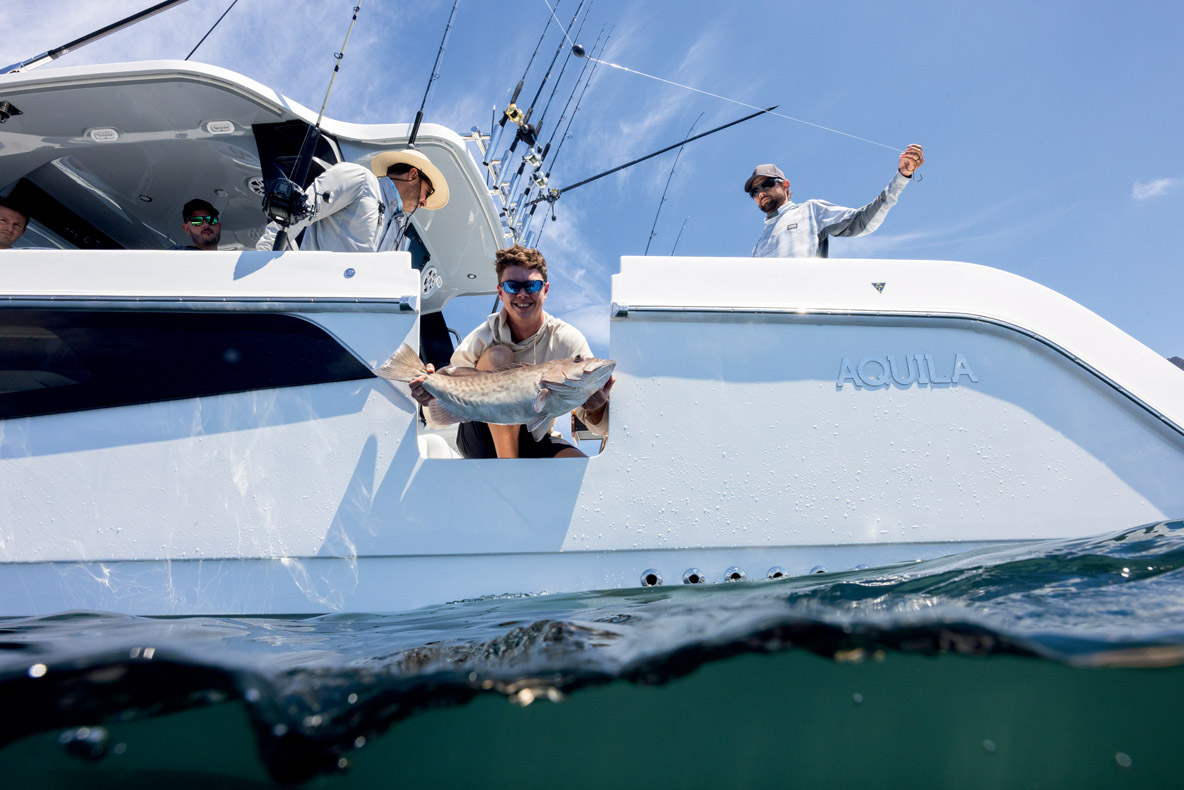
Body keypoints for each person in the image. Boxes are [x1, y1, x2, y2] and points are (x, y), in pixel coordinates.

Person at [409, 245, 613, 459]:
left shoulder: (568, 340)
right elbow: (435, 417)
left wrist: (597, 409)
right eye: (513, 286)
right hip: (481, 432)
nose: (523, 294)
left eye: (532, 285)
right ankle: (510, 470)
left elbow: (599, 428)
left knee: (579, 467)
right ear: (501, 292)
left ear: (545, 290)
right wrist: (429, 392)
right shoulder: (481, 338)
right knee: (498, 356)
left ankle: (514, 468)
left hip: (535, 434)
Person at [747, 144, 924, 258]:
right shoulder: (758, 246)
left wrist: (901, 177)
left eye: (767, 184)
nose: (761, 193)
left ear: (785, 185)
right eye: (754, 191)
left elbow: (861, 221)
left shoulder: (810, 211)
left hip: (802, 309)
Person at [255, 149, 448, 252]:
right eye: (427, 192)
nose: (424, 202)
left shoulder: (397, 231)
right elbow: (295, 215)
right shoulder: (360, 179)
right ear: (413, 174)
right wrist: (263, 262)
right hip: (312, 301)